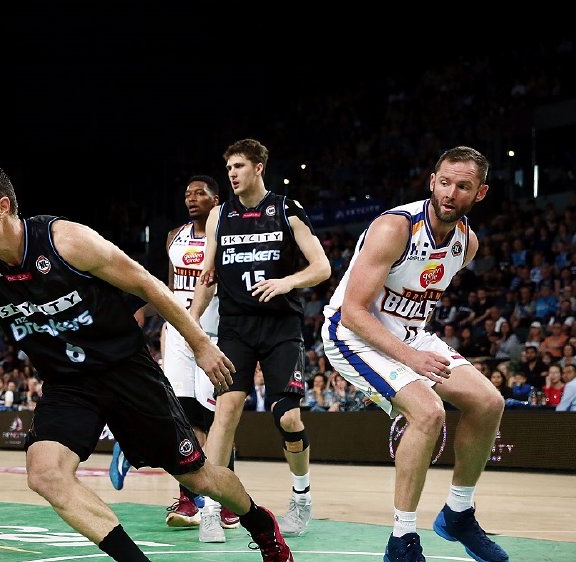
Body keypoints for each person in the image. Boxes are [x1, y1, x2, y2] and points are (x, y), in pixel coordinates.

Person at [0, 160, 293, 561]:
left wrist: (201, 345)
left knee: (198, 476)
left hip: (125, 370)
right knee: (45, 473)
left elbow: (148, 284)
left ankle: (260, 522)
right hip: (68, 384)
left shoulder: (65, 241)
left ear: (3, 206)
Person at [321, 146, 508, 562]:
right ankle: (401, 540)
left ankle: (458, 513)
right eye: (445, 182)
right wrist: (410, 359)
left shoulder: (466, 244)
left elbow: (419, 294)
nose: (450, 193)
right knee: (428, 413)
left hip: (410, 335)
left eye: (463, 186)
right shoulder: (395, 228)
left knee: (488, 402)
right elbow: (353, 313)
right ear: (432, 181)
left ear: (480, 193)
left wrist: (414, 348)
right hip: (351, 334)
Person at [190, 139, 331, 538]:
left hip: (281, 327)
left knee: (288, 417)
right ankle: (211, 509)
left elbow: (321, 267)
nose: (232, 174)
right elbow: (207, 277)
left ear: (258, 167)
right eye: (228, 168)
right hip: (236, 327)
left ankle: (301, 497)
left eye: (238, 166)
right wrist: (192, 320)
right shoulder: (220, 215)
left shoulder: (286, 209)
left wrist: (287, 282)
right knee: (226, 410)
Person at [109, 174, 241, 538]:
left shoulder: (229, 236)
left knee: (216, 421)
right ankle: (188, 498)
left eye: (200, 193)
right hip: (179, 335)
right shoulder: (174, 237)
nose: (191, 198)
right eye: (187, 193)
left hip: (215, 336)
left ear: (216, 200)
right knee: (182, 416)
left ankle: (227, 497)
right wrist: (144, 310)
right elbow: (169, 289)